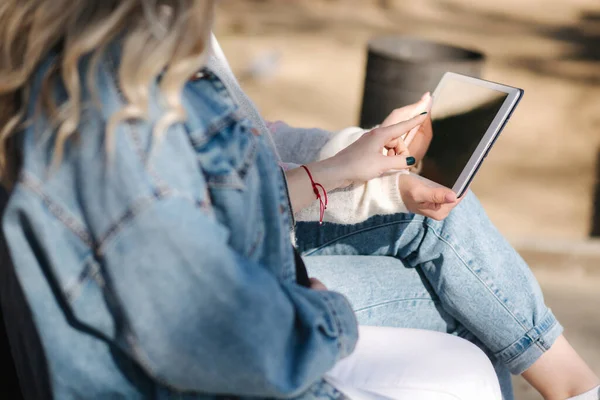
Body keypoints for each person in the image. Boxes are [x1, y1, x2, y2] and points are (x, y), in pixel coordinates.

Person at [0, 1, 595, 400]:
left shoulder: (118, 81)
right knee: (469, 327)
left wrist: (351, 165)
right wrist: (314, 304)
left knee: (445, 249)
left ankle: (574, 384)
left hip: (258, 281)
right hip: (256, 315)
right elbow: (214, 327)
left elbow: (247, 152)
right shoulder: (127, 129)